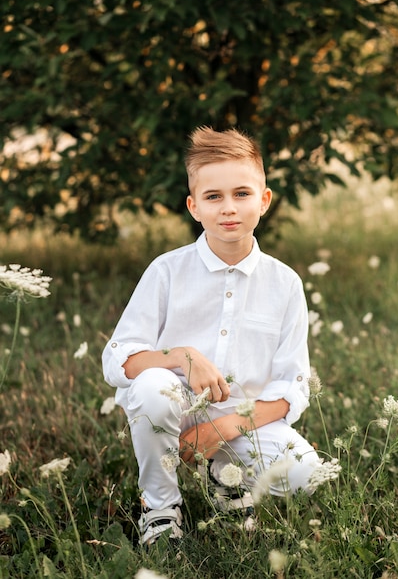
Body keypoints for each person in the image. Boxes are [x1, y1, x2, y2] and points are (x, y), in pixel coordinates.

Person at [102, 126, 321, 545]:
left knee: (307, 474)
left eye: (242, 194)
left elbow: (291, 388)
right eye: (213, 197)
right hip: (172, 406)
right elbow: (118, 360)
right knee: (152, 387)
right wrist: (180, 355)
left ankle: (223, 474)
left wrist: (222, 429)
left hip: (242, 419)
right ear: (193, 206)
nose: (228, 209)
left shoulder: (285, 283)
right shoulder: (167, 271)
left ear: (264, 200)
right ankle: (161, 504)